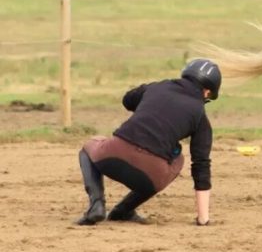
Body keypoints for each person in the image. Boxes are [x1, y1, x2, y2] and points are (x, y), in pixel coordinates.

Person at [75, 58, 221, 226]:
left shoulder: (158, 86)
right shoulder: (200, 116)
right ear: (207, 93)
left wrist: (151, 108)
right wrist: (203, 218)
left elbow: (128, 99)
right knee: (177, 159)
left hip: (113, 155)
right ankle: (123, 210)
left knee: (88, 148)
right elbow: (201, 164)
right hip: (151, 175)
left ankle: (96, 205)